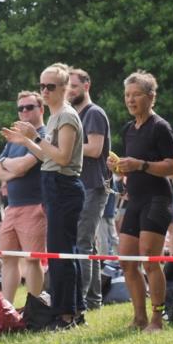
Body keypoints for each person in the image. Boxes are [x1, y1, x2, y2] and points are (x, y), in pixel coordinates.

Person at [1, 63, 85, 329]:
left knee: (62, 255)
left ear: (64, 88)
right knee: (62, 253)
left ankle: (67, 314)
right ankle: (72, 310)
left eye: (50, 86)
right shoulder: (54, 117)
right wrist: (26, 141)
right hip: (53, 184)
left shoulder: (66, 116)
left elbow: (62, 157)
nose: (45, 91)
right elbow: (46, 155)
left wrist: (34, 136)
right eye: (42, 86)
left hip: (64, 186)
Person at [105, 72, 173, 331]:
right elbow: (131, 168)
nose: (130, 99)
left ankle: (158, 318)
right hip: (134, 200)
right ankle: (139, 318)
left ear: (150, 97)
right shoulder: (128, 129)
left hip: (157, 198)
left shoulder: (160, 127)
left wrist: (141, 165)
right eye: (127, 95)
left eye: (136, 94)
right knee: (126, 261)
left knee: (150, 258)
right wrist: (120, 168)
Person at [0, 91, 48, 304]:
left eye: (29, 107)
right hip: (12, 208)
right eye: (21, 108)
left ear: (41, 109)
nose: (24, 111)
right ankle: (7, 308)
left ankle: (35, 307)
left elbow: (25, 165)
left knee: (33, 260)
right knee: (7, 259)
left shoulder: (43, 135)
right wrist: (13, 169)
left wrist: (10, 166)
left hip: (34, 206)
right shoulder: (14, 138)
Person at [69, 68, 112, 311]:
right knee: (88, 244)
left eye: (74, 86)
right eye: (67, 87)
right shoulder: (76, 115)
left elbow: (95, 149)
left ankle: (81, 301)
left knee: (82, 242)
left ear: (86, 86)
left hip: (95, 185)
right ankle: (94, 300)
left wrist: (66, 146)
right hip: (81, 185)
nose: (70, 91)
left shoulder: (94, 113)